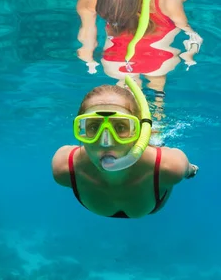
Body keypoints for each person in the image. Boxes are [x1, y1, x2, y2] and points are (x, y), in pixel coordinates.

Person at [52, 76, 198, 219]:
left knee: (157, 110)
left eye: (121, 127)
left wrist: (190, 169)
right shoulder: (64, 168)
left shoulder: (170, 166)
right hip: (149, 204)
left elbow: (187, 169)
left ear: (139, 132)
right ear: (80, 130)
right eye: (94, 126)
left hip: (155, 195)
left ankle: (155, 89)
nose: (106, 142)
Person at [71, 0, 203, 75]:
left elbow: (87, 36)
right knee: (157, 80)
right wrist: (191, 43)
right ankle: (158, 95)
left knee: (124, 85)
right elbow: (180, 22)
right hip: (160, 58)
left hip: (115, 62)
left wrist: (89, 61)